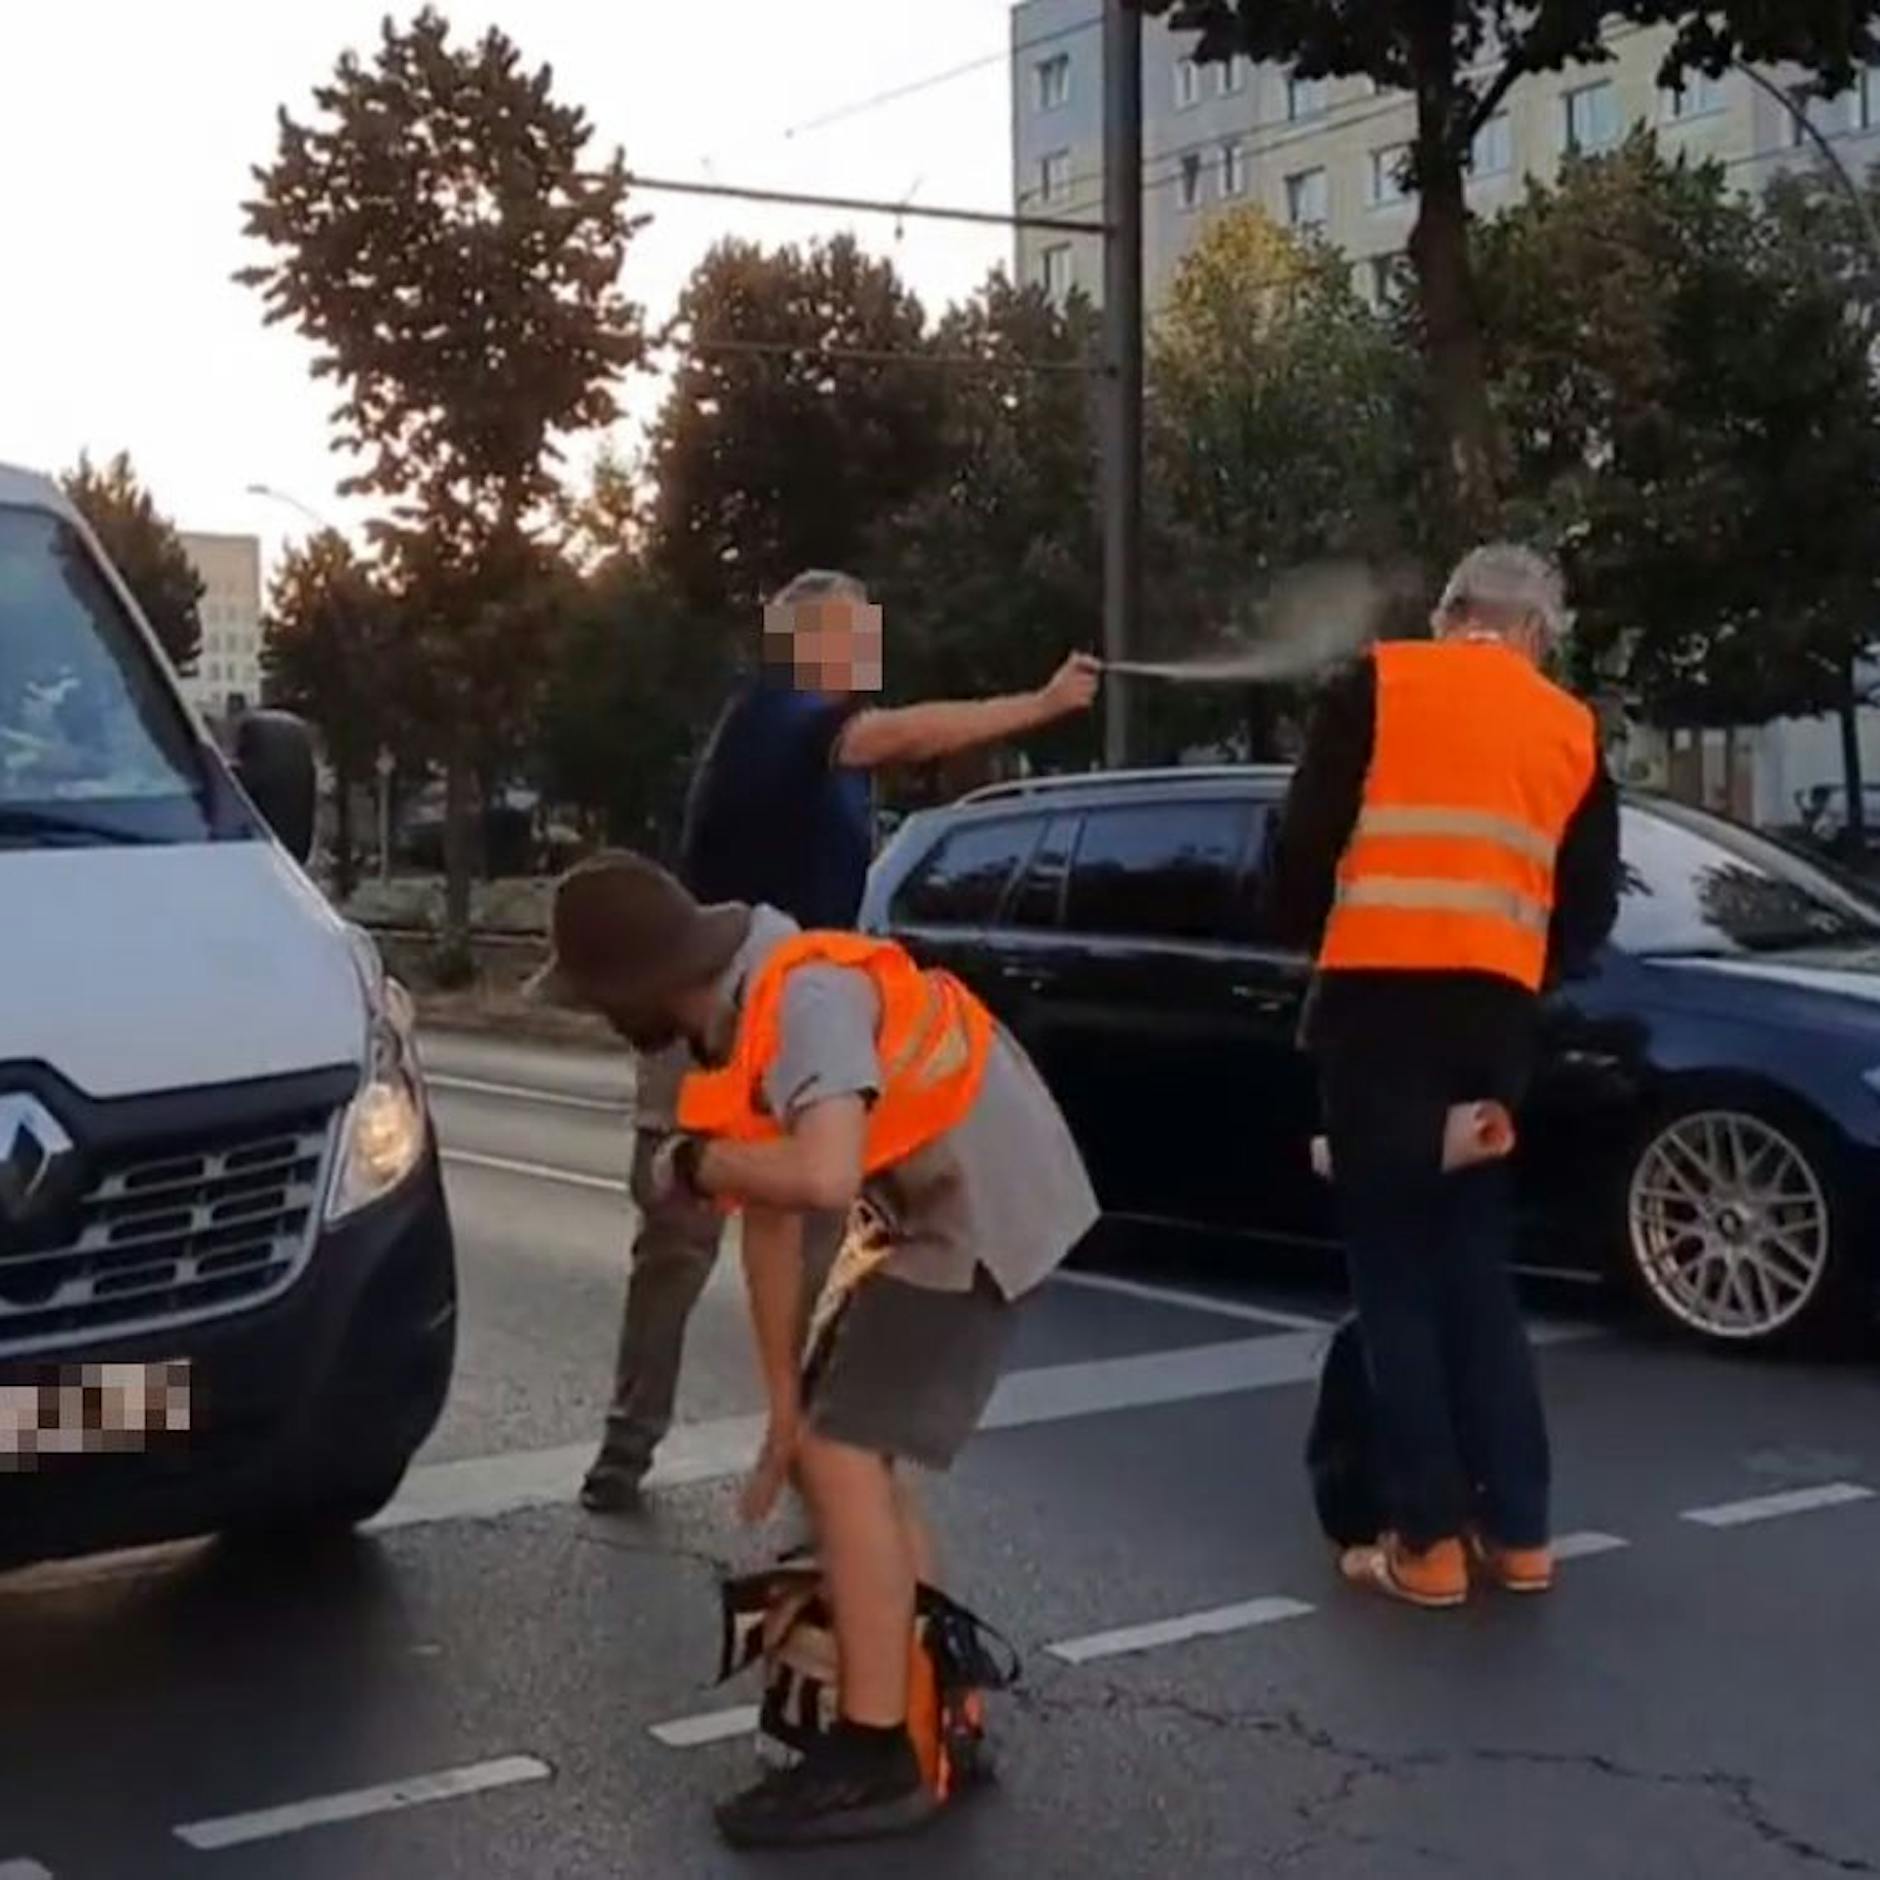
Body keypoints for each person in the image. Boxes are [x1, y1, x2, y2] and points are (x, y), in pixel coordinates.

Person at [530, 851, 1099, 1847]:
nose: (600, 1021)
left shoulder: (803, 999)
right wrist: (781, 1411)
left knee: (848, 1458)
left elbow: (824, 1173)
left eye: (595, 999)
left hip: (978, 1200)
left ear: (634, 988)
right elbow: (770, 1223)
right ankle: (934, 1706)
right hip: (931, 1204)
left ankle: (875, 1750)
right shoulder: (731, 1030)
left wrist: (697, 1162)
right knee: (845, 1447)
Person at [578, 567, 1100, 1512]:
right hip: (705, 1015)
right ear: (804, 643)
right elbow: (897, 735)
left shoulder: (810, 746)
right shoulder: (778, 716)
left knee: (801, 1233)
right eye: (855, 638)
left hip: (794, 1018)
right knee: (683, 1231)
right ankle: (638, 1447)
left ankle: (811, 1441)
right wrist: (1043, 702)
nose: (871, 655)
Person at [1266, 543, 1621, 1608]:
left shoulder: (1378, 684)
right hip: (1491, 1027)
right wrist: (1521, 975)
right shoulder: (1568, 728)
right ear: (1535, 632)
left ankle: (1421, 1540)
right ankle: (1517, 1531)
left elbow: (1300, 847)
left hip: (1376, 1018)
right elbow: (1589, 904)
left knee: (1390, 1277)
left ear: (1448, 613)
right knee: (1473, 1269)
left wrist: (1307, 940)